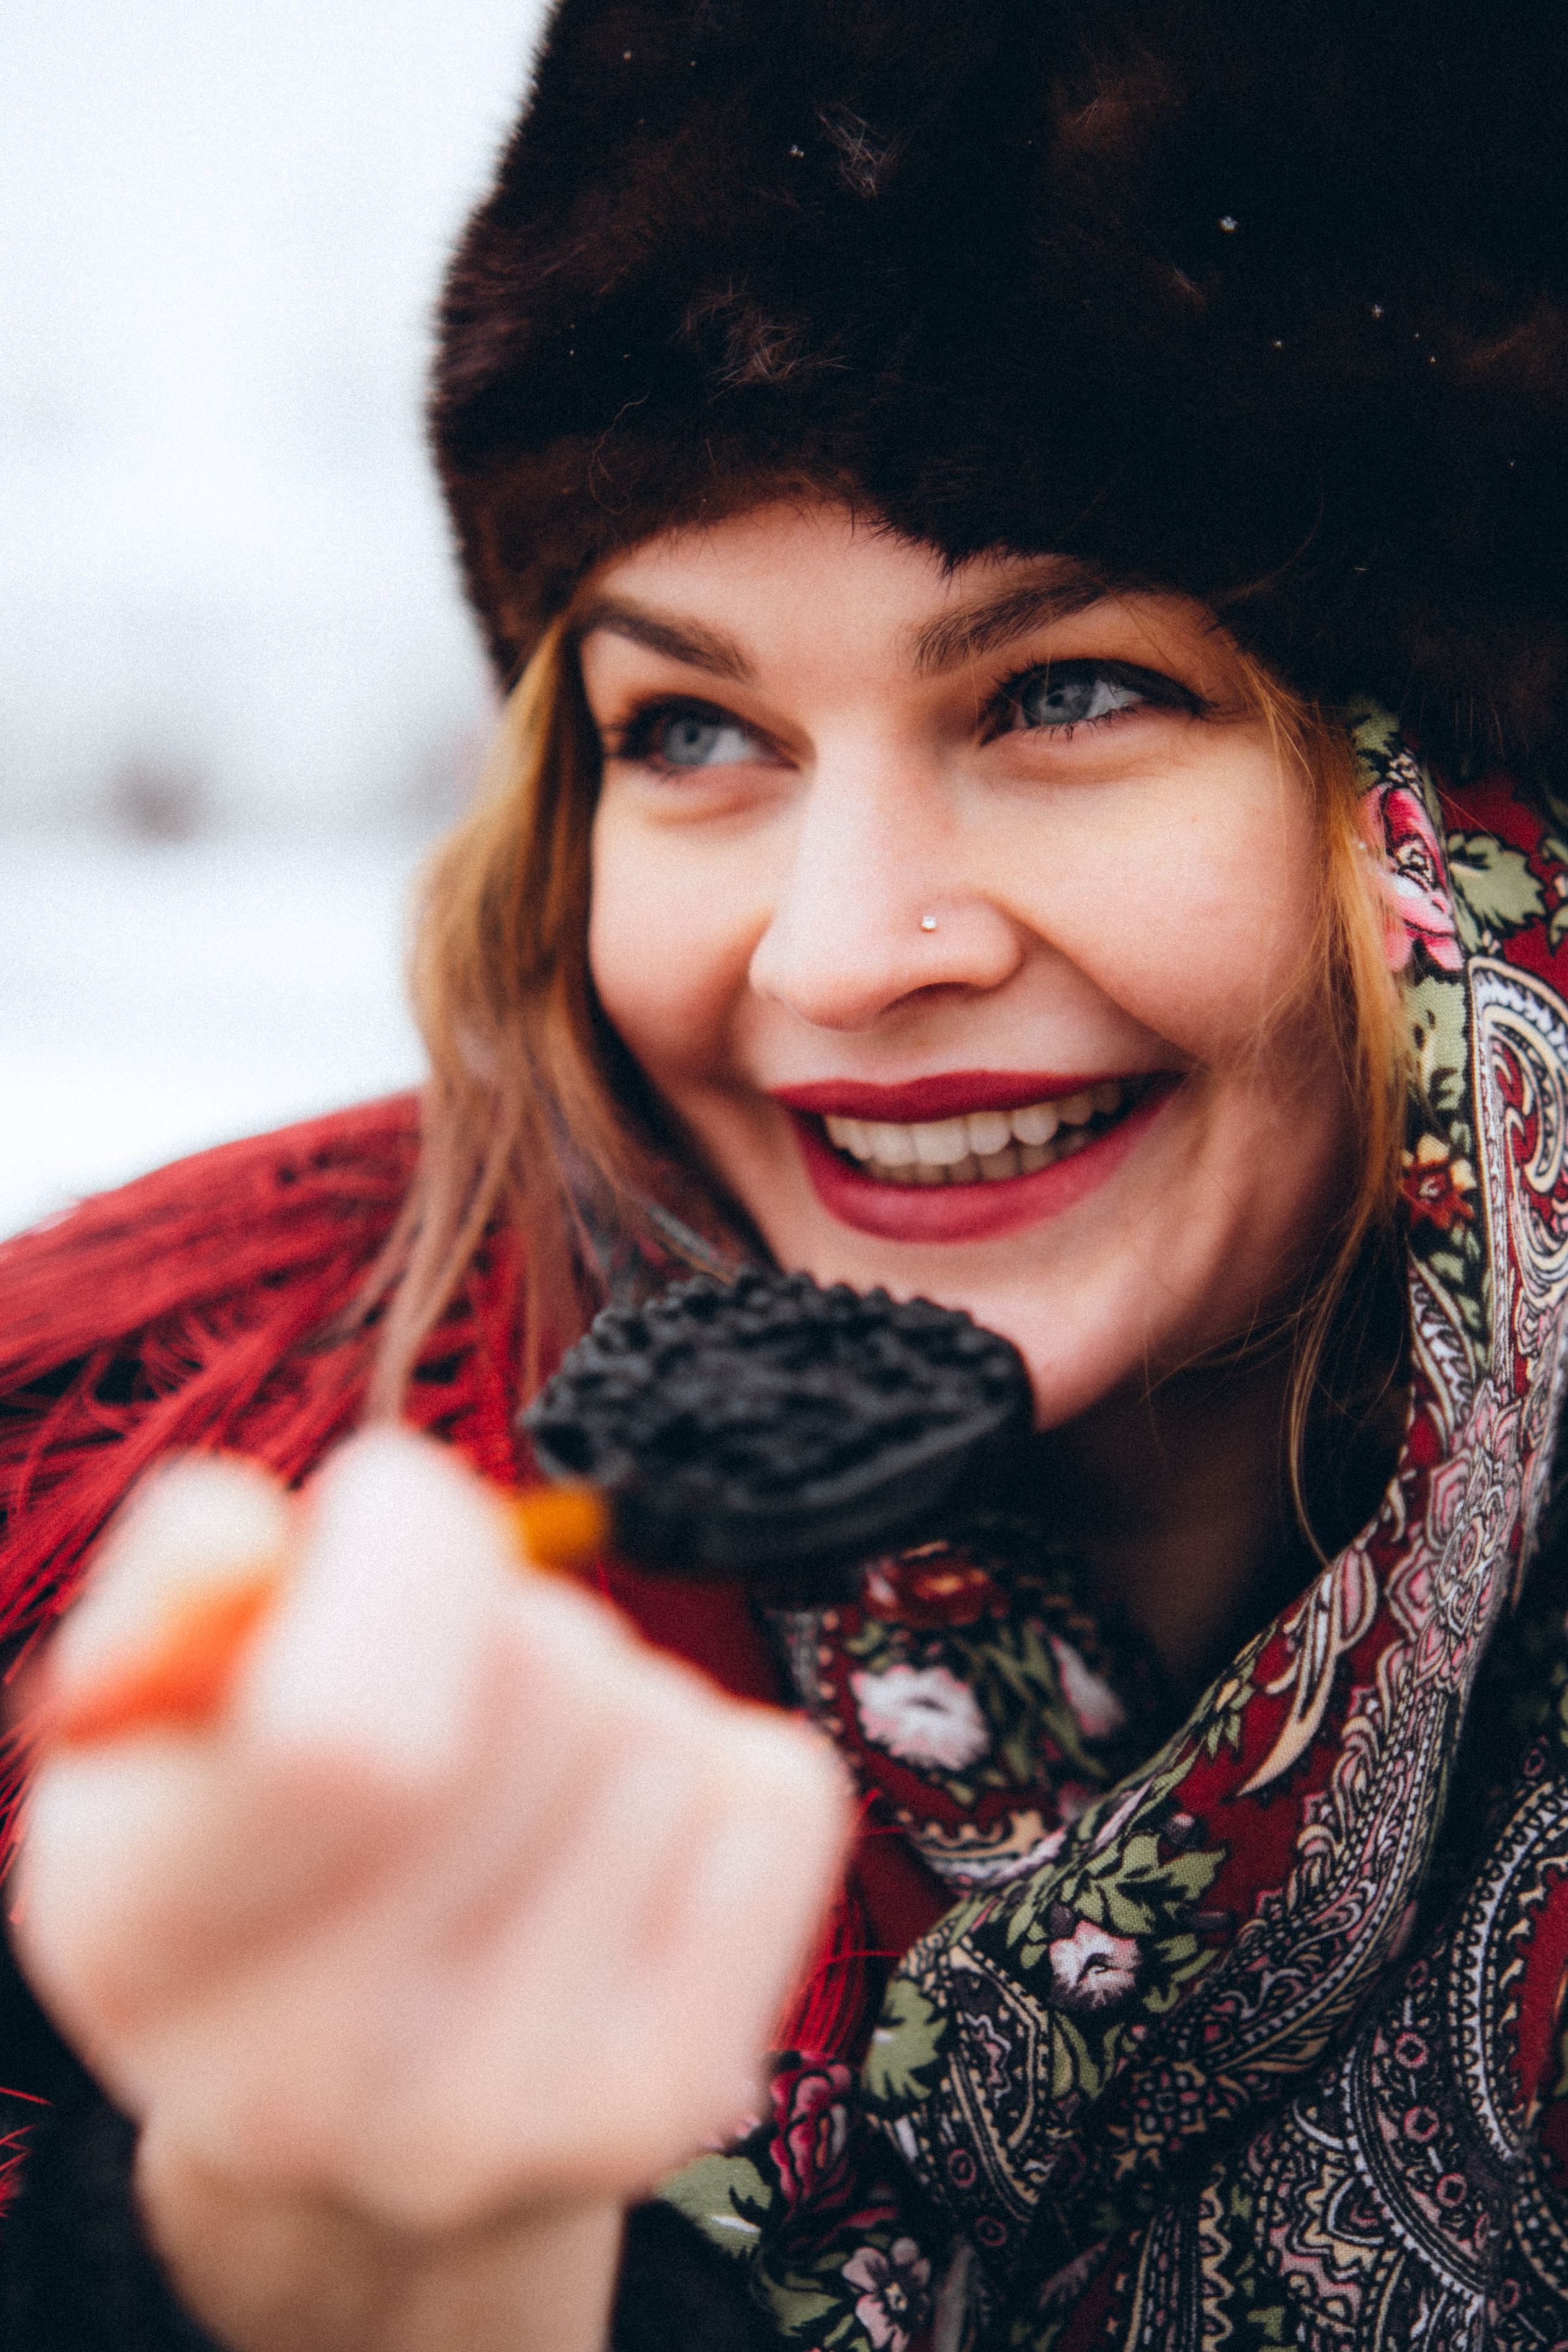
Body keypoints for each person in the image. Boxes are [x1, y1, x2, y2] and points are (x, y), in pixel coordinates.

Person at [4, 0, 1568, 2345]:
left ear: (1478, 827)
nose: (836, 955)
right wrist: (277, 2255)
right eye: (695, 730)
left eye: (1065, 693)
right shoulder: (96, 1508)